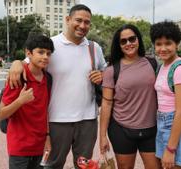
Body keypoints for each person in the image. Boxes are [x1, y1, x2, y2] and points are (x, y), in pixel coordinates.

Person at [8, 4, 107, 169]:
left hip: (88, 120)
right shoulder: (51, 45)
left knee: (84, 165)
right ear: (68, 20)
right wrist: (16, 63)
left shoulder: (93, 48)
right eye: (78, 20)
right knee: (52, 165)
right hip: (56, 120)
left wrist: (103, 76)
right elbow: (27, 63)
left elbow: (106, 72)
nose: (83, 26)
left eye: (87, 22)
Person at [99, 24, 161, 169]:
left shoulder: (152, 63)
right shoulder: (111, 70)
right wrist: (102, 136)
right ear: (119, 45)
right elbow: (106, 104)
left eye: (132, 39)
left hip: (151, 129)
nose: (129, 43)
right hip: (121, 130)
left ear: (138, 39)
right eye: (123, 41)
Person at [0, 34, 54, 169]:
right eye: (40, 52)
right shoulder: (18, 78)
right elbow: (1, 114)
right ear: (28, 53)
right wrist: (20, 101)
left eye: (48, 53)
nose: (45, 57)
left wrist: (47, 136)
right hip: (20, 147)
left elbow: (45, 111)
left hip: (39, 145)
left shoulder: (48, 79)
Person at [150, 21, 181, 169]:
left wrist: (170, 149)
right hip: (162, 122)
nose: (163, 48)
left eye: (168, 43)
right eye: (158, 44)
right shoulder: (163, 66)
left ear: (177, 45)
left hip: (175, 125)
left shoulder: (180, 69)